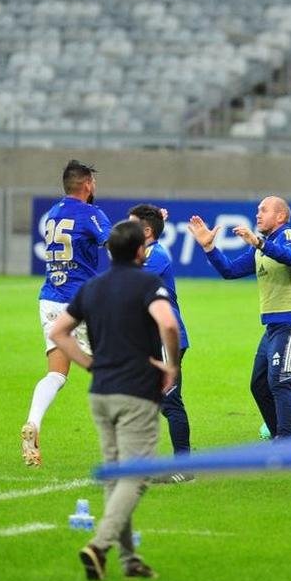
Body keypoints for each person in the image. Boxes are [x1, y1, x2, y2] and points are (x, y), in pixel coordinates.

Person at [50, 220, 180, 581]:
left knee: (115, 475)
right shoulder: (147, 283)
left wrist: (89, 363)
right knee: (136, 476)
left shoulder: (92, 287)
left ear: (109, 251)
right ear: (141, 250)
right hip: (136, 390)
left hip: (100, 391)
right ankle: (100, 544)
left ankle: (128, 560)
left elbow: (58, 331)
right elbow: (168, 324)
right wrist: (171, 366)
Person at [187, 197, 291, 438]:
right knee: (259, 384)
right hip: (274, 326)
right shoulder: (261, 248)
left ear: (280, 217)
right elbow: (230, 270)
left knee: (280, 382)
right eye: (257, 210)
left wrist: (259, 242)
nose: (257, 215)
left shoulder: (288, 236)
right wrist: (209, 248)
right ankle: (280, 436)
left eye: (263, 210)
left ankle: (286, 444)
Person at [21, 160, 111, 467]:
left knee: (56, 374)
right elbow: (114, 245)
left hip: (50, 299)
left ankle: (33, 422)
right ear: (86, 184)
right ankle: (123, 445)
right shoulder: (91, 214)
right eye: (93, 182)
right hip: (80, 302)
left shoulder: (54, 214)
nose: (95, 187)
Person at [128, 203, 194, 484]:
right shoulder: (147, 252)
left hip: (168, 336)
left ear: (145, 231)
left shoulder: (157, 256)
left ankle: (185, 466)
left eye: (131, 225)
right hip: (150, 338)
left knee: (170, 401)